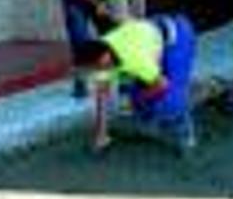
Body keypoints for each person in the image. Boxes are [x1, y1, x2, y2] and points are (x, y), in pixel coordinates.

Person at [73, 14, 197, 156]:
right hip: (150, 35)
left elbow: (162, 85)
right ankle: (152, 118)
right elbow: (102, 94)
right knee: (138, 96)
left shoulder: (136, 60)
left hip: (177, 37)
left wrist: (139, 99)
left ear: (104, 59)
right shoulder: (99, 53)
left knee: (172, 101)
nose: (94, 73)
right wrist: (101, 136)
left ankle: (186, 135)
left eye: (95, 68)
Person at [60, 0, 143, 97]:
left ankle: (124, 82)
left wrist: (137, 22)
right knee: (80, 37)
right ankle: (80, 83)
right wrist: (96, 4)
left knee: (116, 36)